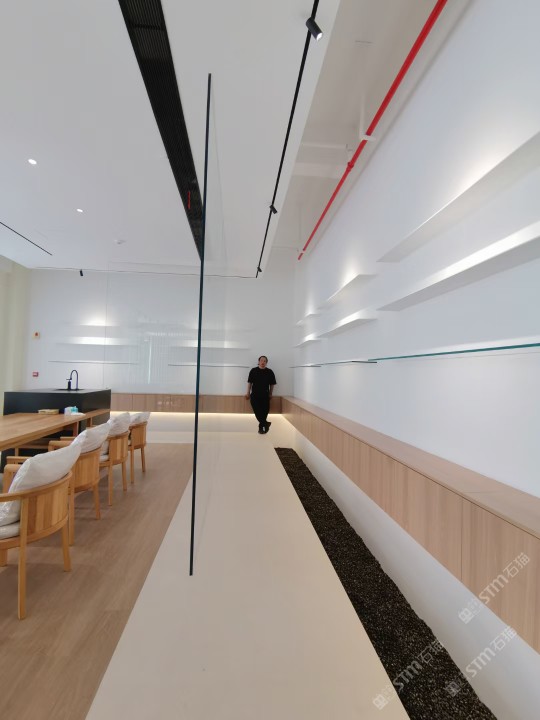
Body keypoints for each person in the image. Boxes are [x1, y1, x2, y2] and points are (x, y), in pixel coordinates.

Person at [245, 355, 276, 434]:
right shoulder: (253, 370)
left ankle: (261, 428)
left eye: (265, 361)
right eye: (261, 360)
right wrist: (248, 392)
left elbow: (272, 384)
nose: (263, 362)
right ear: (258, 362)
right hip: (254, 395)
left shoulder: (270, 372)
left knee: (264, 412)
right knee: (257, 411)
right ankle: (265, 424)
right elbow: (249, 382)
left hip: (265, 395)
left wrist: (270, 393)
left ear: (266, 363)